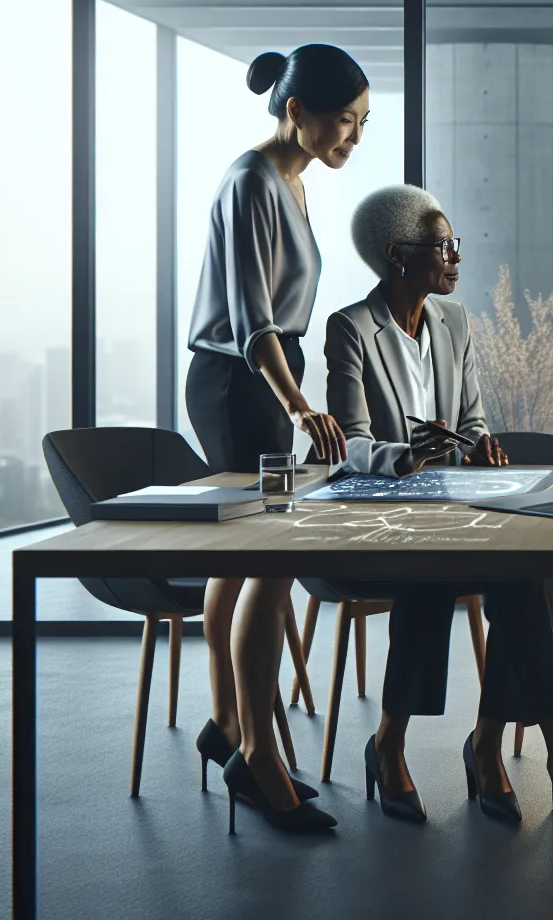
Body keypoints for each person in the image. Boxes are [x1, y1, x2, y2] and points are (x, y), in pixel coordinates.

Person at [324, 183, 553, 835]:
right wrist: (404, 459)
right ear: (396, 254)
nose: (456, 257)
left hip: (460, 504)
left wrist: (479, 438)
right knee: (443, 580)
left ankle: (486, 744)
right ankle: (540, 753)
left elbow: (471, 414)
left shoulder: (455, 323)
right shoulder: (350, 329)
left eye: (456, 245)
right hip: (392, 515)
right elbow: (348, 443)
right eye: (443, 246)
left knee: (522, 575)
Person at [183, 43, 369, 833]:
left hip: (264, 375)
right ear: (297, 111)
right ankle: (255, 753)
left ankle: (229, 725)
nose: (352, 138)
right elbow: (255, 318)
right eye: (342, 121)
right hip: (243, 381)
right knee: (271, 557)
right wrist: (298, 407)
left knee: (246, 559)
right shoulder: (254, 181)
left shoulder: (291, 181)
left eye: (361, 124)